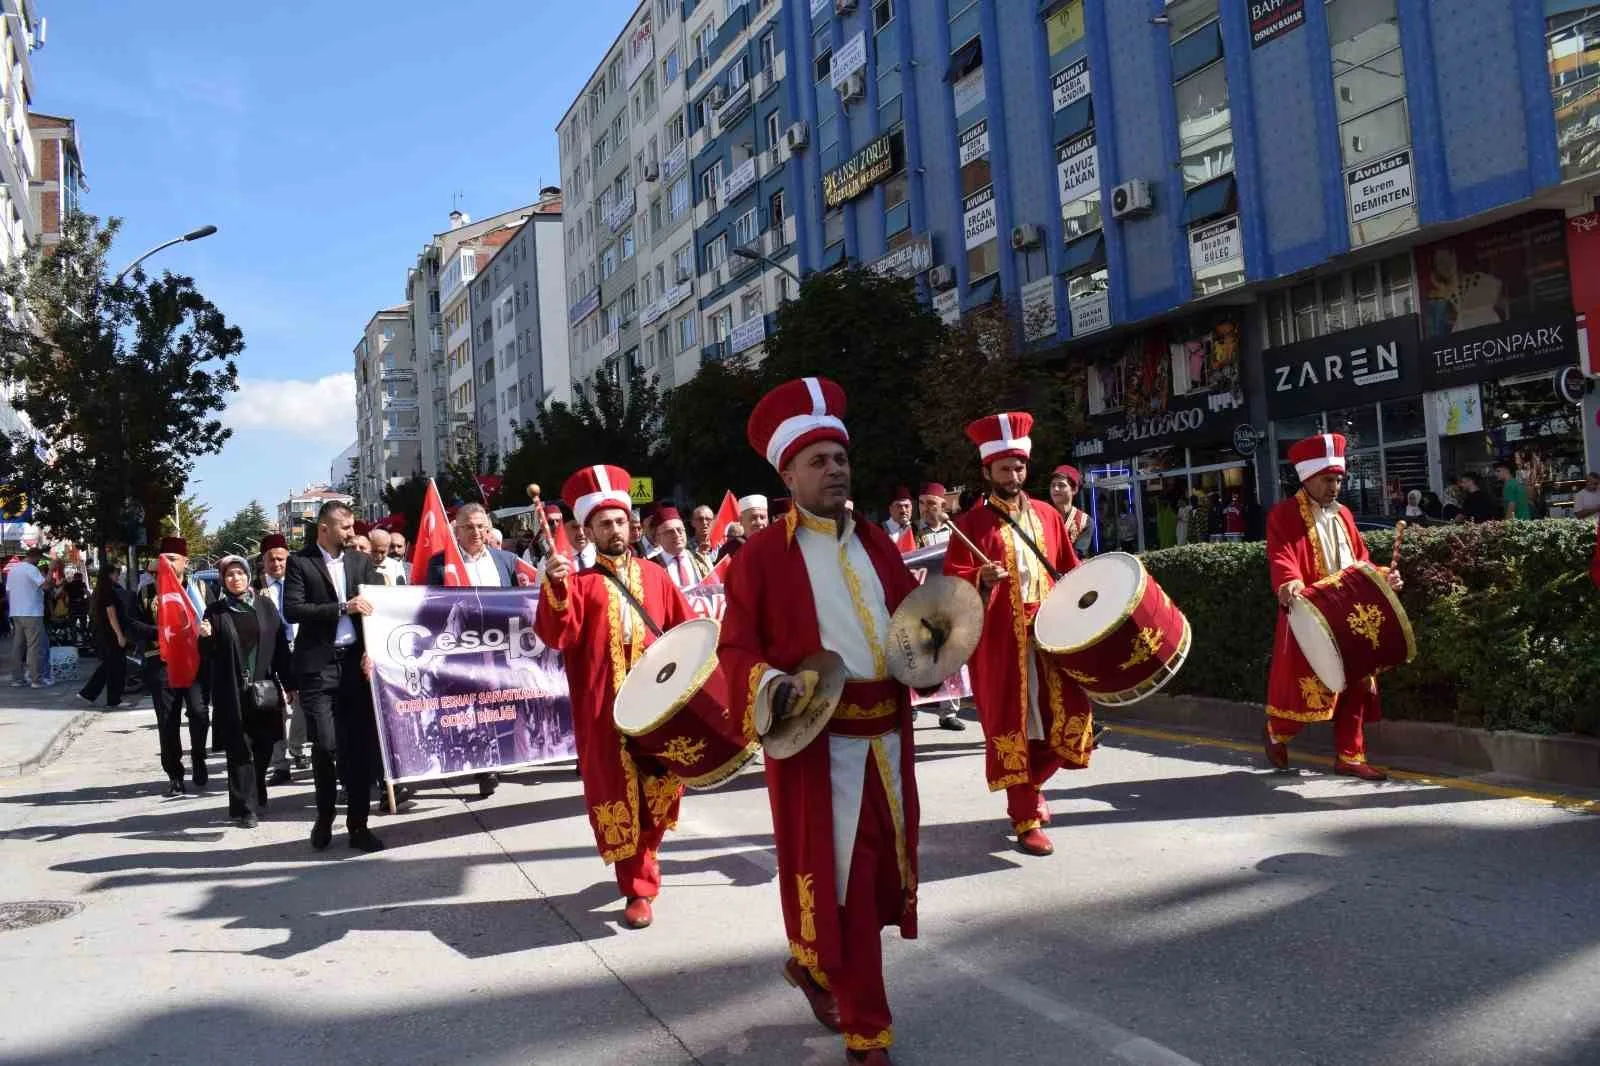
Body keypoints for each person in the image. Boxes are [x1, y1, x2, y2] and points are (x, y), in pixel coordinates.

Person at [719, 376, 922, 1066]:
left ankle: (811, 967)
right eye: (818, 461)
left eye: (840, 458)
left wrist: (950, 619)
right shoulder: (759, 558)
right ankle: (869, 1029)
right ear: (788, 475)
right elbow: (735, 648)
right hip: (819, 747)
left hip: (888, 739)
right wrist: (771, 683)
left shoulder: (879, 544)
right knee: (846, 885)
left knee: (878, 882)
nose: (835, 469)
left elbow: (912, 624)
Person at [534, 463, 695, 931]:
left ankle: (646, 859)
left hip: (659, 708)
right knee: (622, 799)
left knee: (661, 793)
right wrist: (556, 585)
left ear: (632, 523)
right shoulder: (579, 585)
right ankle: (638, 888)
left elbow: (686, 632)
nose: (614, 529)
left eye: (620, 520)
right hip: (606, 713)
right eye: (603, 523)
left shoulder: (657, 577)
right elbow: (556, 634)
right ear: (588, 531)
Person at [944, 412, 1096, 857]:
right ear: (987, 471)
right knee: (1015, 726)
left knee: (1062, 720)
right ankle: (1025, 817)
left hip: (1052, 636)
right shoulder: (971, 526)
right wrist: (981, 579)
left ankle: (1034, 784)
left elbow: (1069, 569)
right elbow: (953, 582)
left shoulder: (1049, 515)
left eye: (1020, 468)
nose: (1014, 475)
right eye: (1005, 468)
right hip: (1002, 642)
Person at [1263, 434, 1402, 781]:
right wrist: (1289, 581)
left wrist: (1385, 577)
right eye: (1328, 480)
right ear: (1307, 478)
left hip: (1348, 613)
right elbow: (1281, 555)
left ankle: (1350, 756)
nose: (1335, 486)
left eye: (1339, 479)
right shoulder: (1284, 515)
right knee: (1306, 687)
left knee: (1356, 683)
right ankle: (1276, 732)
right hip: (1309, 613)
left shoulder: (1344, 516)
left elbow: (1360, 561)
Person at [282, 500, 386, 853]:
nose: (352, 533)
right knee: (326, 746)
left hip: (356, 668)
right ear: (324, 528)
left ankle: (359, 825)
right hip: (318, 669)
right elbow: (293, 609)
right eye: (345, 527)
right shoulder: (301, 562)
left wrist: (374, 651)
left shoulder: (360, 562)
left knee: (358, 749)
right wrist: (343, 607)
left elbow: (379, 611)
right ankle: (324, 816)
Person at [424, 501, 520, 798]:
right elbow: (431, 608)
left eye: (481, 526)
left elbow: (519, 600)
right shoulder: (440, 564)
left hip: (501, 648)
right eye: (469, 527)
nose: (476, 532)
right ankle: (484, 766)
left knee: (502, 706)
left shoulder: (506, 560)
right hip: (463, 653)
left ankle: (500, 757)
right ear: (457, 529)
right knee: (474, 710)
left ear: (488, 528)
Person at [199, 555, 293, 829]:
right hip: (232, 692)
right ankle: (245, 808)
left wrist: (290, 684)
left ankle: (258, 785)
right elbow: (208, 656)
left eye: (240, 573)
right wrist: (204, 639)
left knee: (264, 746)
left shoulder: (265, 606)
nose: (235, 578)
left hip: (264, 690)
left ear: (248, 576)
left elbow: (279, 648)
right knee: (240, 750)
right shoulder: (215, 612)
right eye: (229, 575)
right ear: (223, 580)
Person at [138, 538, 213, 795]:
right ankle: (175, 774)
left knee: (199, 712)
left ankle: (200, 757)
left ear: (185, 562)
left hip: (195, 661)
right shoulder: (148, 592)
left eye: (173, 558)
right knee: (168, 721)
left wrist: (207, 630)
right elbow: (135, 626)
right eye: (164, 558)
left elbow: (215, 618)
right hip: (162, 662)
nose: (167, 563)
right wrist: (162, 631)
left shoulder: (200, 588)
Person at [258, 534, 306, 784]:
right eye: (271, 559)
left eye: (281, 559)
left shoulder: (299, 582)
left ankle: (297, 748)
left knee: (302, 703)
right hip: (270, 654)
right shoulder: (255, 588)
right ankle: (280, 765)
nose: (276, 564)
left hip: (299, 648)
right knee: (275, 709)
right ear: (262, 561)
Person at [77, 562, 133, 708]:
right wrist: (120, 635)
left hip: (103, 632)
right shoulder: (109, 591)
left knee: (110, 665)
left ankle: (92, 694)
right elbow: (111, 614)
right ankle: (110, 698)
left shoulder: (101, 590)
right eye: (116, 573)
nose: (118, 576)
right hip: (111, 634)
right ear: (110, 574)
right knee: (115, 666)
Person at [8, 547, 48, 687]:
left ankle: (17, 678)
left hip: (16, 612)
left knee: (18, 646)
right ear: (36, 557)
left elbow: (9, 591)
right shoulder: (32, 569)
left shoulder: (14, 569)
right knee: (34, 646)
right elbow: (46, 586)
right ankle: (35, 679)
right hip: (32, 612)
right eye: (39, 559)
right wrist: (53, 569)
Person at [652, 506, 712, 589]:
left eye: (680, 530)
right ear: (658, 537)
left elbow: (713, 587)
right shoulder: (653, 566)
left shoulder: (700, 559)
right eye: (670, 531)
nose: (677, 535)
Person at [1048, 466, 1093, 556]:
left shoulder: (1084, 521)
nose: (1055, 489)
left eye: (1061, 485)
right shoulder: (1040, 514)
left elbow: (1079, 554)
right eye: (1053, 485)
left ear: (1074, 490)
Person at [716, 495, 769, 562]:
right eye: (753, 518)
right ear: (741, 520)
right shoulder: (729, 550)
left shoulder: (776, 544)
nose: (759, 522)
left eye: (762, 517)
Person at [913, 483, 952, 548]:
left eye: (930, 503)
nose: (925, 508)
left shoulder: (954, 530)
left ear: (943, 505)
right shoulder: (911, 531)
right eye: (921, 502)